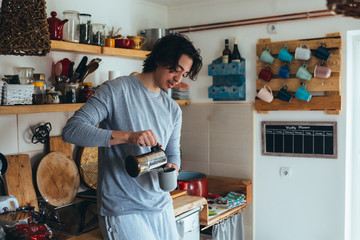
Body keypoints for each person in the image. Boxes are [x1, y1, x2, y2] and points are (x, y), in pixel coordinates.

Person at [62, 33, 202, 240]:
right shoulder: (116, 90)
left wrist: (173, 166)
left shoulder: (172, 109)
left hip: (161, 205)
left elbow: (173, 152)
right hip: (123, 210)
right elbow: (72, 130)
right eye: (176, 70)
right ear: (159, 60)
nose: (178, 79)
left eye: (185, 74)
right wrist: (128, 136)